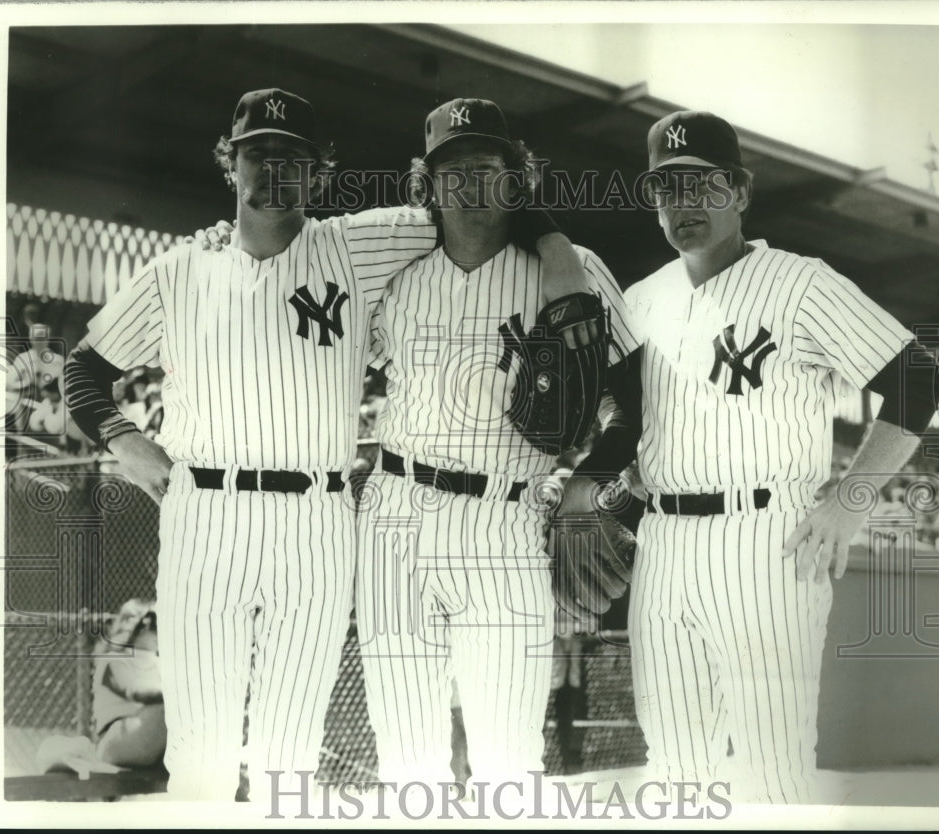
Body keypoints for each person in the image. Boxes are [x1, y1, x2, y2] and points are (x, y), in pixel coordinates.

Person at [64, 87, 589, 802]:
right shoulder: (177, 271)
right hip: (204, 513)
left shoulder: (359, 243)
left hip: (316, 515)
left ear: (318, 174)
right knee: (201, 744)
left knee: (290, 746)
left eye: (293, 157)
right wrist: (125, 439)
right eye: (258, 154)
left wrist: (555, 245)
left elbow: (477, 199)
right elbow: (83, 372)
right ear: (232, 165)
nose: (274, 170)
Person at [560, 110, 939, 803]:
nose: (686, 205)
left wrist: (847, 501)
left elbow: (918, 381)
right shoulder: (642, 300)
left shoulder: (801, 282)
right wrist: (602, 502)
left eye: (704, 186)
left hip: (765, 539)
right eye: (668, 190)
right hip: (666, 543)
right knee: (675, 764)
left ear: (739, 191)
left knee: (772, 767)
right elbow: (636, 432)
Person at [354, 98, 640, 802]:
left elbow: (632, 403)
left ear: (518, 179)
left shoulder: (573, 270)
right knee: (406, 751)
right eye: (453, 169)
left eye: (488, 167)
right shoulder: (392, 276)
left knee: (509, 756)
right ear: (427, 182)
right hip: (395, 512)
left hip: (506, 519)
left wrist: (589, 481)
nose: (470, 183)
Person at [92, 599, 167, 768]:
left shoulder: (161, 663)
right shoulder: (114, 660)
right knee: (172, 708)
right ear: (144, 625)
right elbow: (135, 690)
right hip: (115, 743)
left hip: (151, 742)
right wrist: (179, 694)